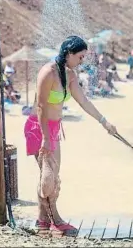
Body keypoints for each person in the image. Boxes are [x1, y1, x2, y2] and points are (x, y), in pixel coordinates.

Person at [23, 36, 118, 236]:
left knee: (49, 175)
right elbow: (40, 106)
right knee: (49, 176)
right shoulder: (48, 72)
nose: (81, 61)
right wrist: (46, 138)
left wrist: (104, 122)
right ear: (69, 53)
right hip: (39, 129)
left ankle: (43, 220)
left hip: (54, 129)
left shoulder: (70, 75)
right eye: (80, 57)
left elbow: (84, 101)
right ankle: (55, 219)